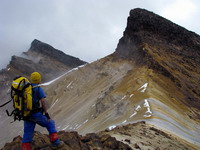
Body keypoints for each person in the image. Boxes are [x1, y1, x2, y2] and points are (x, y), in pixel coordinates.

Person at [21, 72, 64, 150]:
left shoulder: (26, 88)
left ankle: (25, 148)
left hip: (26, 114)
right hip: (35, 114)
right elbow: (43, 102)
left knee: (27, 132)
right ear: (38, 80)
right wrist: (46, 112)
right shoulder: (38, 89)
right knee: (50, 123)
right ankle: (56, 142)